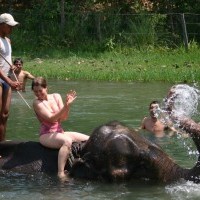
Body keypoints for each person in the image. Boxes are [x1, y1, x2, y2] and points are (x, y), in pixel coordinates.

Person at [31, 77, 89, 180]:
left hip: (59, 131)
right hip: (46, 134)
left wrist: (68, 105)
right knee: (67, 141)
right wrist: (65, 106)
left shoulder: (56, 96)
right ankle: (61, 173)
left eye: (40, 91)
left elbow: (64, 117)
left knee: (89, 139)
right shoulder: (36, 103)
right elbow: (51, 119)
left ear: (46, 88)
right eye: (35, 92)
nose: (38, 94)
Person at [0, 13, 20, 141]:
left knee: (5, 115)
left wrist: (12, 66)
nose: (11, 29)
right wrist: (9, 81)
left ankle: (2, 145)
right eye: (9, 26)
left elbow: (7, 58)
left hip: (6, 79)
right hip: (1, 80)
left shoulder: (7, 40)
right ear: (1, 25)